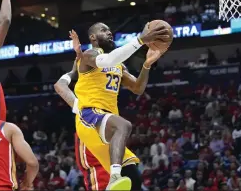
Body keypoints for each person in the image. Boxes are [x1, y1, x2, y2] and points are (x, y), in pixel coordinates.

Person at [56, 24, 168, 190]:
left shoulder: (119, 65)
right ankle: (114, 176)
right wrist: (139, 41)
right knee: (124, 125)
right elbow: (105, 61)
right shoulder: (90, 55)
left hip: (108, 124)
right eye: (103, 30)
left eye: (110, 30)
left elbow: (138, 88)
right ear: (93, 37)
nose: (109, 32)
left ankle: (117, 177)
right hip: (90, 115)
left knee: (134, 179)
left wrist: (147, 65)